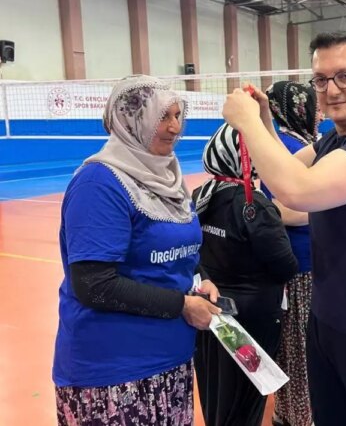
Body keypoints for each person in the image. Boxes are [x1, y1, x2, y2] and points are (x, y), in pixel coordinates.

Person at [221, 31, 346, 426]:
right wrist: (265, 122)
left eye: (345, 76)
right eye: (322, 79)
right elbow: (287, 175)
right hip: (328, 317)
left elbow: (298, 190)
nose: (332, 89)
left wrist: (246, 122)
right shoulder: (335, 139)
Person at [53, 75, 221, 426]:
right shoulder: (99, 183)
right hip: (114, 372)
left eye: (178, 115)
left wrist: (200, 279)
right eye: (163, 116)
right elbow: (94, 285)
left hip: (170, 359)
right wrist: (181, 305)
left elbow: (179, 248)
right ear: (131, 120)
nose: (175, 127)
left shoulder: (169, 179)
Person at [192, 122, 298, 426]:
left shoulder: (202, 195)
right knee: (245, 400)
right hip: (251, 320)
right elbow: (285, 265)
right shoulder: (254, 205)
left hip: (212, 312)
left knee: (216, 392)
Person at [262, 81, 320, 426]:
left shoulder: (293, 142)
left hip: (297, 262)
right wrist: (338, 207)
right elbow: (279, 210)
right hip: (299, 266)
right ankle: (299, 416)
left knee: (295, 344)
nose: (320, 113)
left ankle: (290, 412)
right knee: (300, 346)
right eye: (315, 105)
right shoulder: (288, 145)